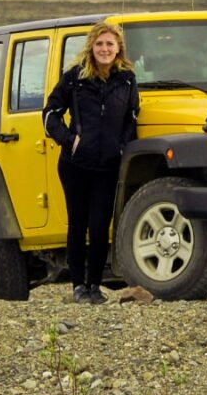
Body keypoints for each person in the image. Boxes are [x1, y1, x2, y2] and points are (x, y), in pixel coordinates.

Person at [47, 22, 139, 304]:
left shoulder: (126, 79)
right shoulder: (74, 77)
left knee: (100, 226)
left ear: (118, 48)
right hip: (75, 164)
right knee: (78, 224)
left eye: (110, 44)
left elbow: (132, 117)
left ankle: (94, 286)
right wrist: (68, 140)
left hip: (108, 165)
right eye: (100, 44)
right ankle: (78, 286)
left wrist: (123, 147)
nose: (105, 49)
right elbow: (50, 112)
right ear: (91, 46)